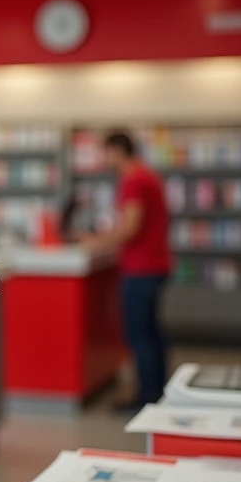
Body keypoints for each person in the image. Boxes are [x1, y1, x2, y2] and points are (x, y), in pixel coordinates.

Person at [83, 130, 172, 410]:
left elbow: (130, 227)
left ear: (118, 151)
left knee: (139, 335)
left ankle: (146, 398)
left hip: (141, 268)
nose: (103, 159)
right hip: (155, 264)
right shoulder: (147, 176)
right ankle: (157, 392)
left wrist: (96, 242)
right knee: (152, 333)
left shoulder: (133, 180)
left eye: (105, 152)